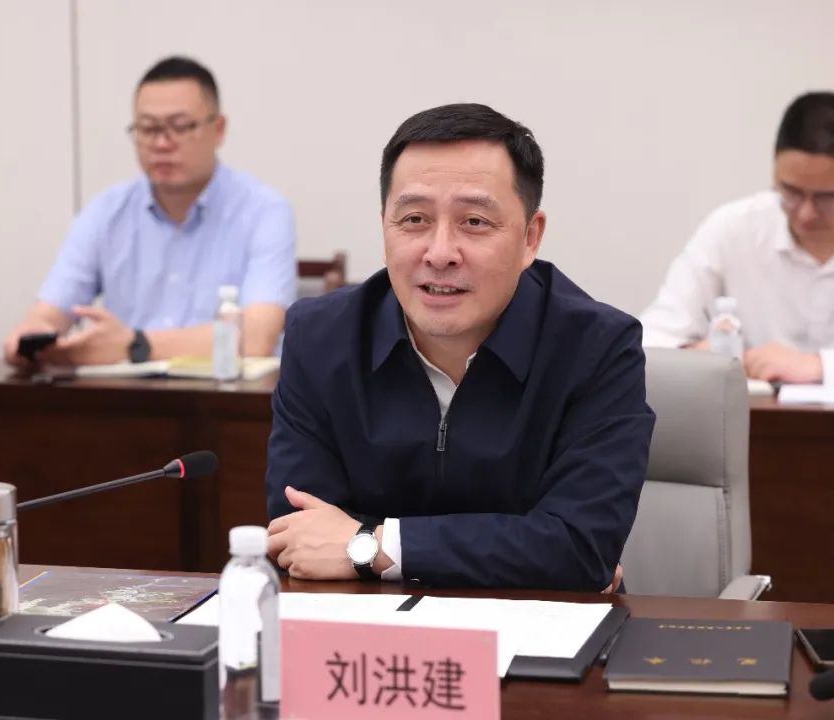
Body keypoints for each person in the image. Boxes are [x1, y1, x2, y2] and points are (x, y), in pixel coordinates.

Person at [264, 103, 654, 591]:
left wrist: (369, 545)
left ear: (531, 238)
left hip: (537, 629)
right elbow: (299, 534)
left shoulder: (598, 348)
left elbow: (579, 549)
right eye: (414, 219)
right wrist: (528, 548)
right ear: (384, 228)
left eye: (474, 222)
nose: (440, 253)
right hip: (366, 627)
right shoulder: (320, 338)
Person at [640, 91, 834, 388]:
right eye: (790, 192)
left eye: (828, 198)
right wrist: (699, 357)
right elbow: (651, 339)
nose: (805, 214)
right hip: (754, 421)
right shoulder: (732, 228)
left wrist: (820, 366)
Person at [2, 56, 296, 367]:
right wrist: (30, 337)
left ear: (219, 129)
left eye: (180, 127)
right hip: (127, 394)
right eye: (147, 128)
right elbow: (51, 312)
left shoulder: (264, 211)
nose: (161, 143)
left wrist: (135, 345)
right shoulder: (105, 212)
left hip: (221, 392)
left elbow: (256, 338)